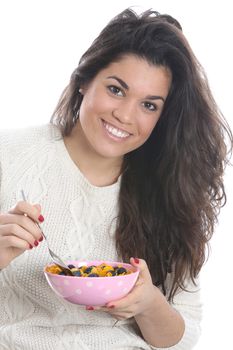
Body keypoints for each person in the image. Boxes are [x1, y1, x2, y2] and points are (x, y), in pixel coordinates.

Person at [0, 8, 232, 350]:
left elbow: (182, 338)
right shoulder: (10, 155)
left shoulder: (168, 190)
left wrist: (148, 303)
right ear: (83, 81)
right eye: (116, 89)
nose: (125, 116)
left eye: (149, 106)